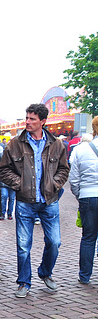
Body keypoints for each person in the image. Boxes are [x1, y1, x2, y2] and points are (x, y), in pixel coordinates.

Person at [0, 103, 69, 298]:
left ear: (42, 122)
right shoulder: (15, 144)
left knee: (55, 242)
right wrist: (19, 184)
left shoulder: (56, 144)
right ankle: (24, 282)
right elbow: (2, 170)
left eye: (32, 119)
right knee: (23, 245)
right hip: (24, 202)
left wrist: (55, 184)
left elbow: (64, 168)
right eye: (27, 118)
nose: (27, 122)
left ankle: (45, 273)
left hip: (49, 201)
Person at [69, 116, 98, 284]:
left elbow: (74, 179)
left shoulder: (81, 150)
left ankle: (85, 275)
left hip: (88, 196)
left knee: (88, 238)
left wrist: (80, 194)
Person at [0, 151, 15, 221]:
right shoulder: (1, 154)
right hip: (4, 179)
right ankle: (2, 213)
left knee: (12, 198)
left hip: (14, 180)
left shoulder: (18, 153)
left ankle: (10, 214)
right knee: (4, 196)